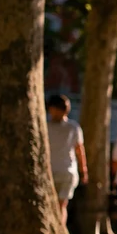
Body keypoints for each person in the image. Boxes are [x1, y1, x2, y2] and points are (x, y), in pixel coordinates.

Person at [45, 95, 87, 225]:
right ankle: (59, 229)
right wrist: (83, 170)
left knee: (58, 205)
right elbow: (80, 150)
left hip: (57, 171)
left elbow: (79, 150)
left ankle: (58, 230)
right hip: (64, 171)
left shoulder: (45, 126)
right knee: (61, 205)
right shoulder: (73, 127)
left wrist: (83, 169)